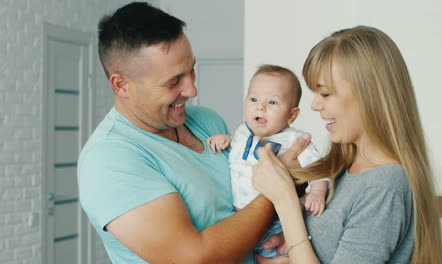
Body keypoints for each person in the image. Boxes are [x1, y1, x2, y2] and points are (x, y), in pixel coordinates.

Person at [77, 2, 308, 263]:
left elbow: (240, 213)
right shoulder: (109, 161)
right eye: (174, 81)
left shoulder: (207, 121)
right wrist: (278, 187)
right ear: (122, 85)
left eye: (191, 70)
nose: (192, 90)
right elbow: (194, 258)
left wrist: (277, 241)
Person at [252, 26, 442, 264]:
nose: (314, 105)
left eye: (325, 94)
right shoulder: (345, 167)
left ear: (369, 95)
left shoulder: (383, 187)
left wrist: (286, 202)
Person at [207, 64, 329, 257]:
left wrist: (316, 192)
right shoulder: (242, 131)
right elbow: (239, 156)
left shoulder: (294, 140)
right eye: (253, 99)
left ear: (292, 114)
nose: (260, 107)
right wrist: (226, 140)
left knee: (278, 254)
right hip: (240, 218)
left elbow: (319, 169)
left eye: (272, 102)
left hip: (276, 221)